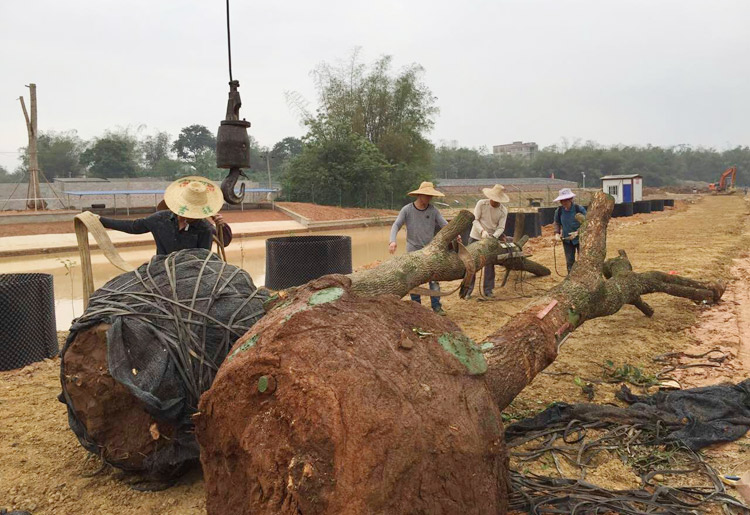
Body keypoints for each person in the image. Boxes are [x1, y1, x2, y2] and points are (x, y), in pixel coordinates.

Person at [98, 176, 232, 256]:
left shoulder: (205, 228)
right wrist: (100, 220)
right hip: (161, 269)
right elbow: (133, 227)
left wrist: (222, 227)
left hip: (194, 274)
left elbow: (222, 243)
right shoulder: (159, 219)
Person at [389, 181, 448, 315]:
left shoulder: (433, 210)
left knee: (434, 278)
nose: (429, 198)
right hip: (413, 249)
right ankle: (416, 307)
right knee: (413, 279)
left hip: (430, 249)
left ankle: (436, 306)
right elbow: (396, 225)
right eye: (426, 195)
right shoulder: (407, 210)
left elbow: (445, 225)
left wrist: (456, 235)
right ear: (419, 195)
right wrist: (392, 241)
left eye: (430, 196)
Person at [465, 184, 510, 299]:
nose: (494, 201)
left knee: (489, 265)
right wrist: (482, 231)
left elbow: (501, 227)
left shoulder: (503, 211)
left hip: (490, 239)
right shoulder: (481, 204)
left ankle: (488, 290)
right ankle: (467, 290)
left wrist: (494, 237)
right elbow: (474, 220)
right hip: (476, 236)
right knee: (471, 263)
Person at [553, 188, 586, 273]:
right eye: (562, 201)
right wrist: (556, 233)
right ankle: (570, 277)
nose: (563, 203)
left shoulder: (579, 209)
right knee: (569, 261)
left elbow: (588, 223)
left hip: (580, 240)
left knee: (582, 260)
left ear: (570, 199)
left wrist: (578, 232)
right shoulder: (559, 211)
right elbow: (557, 222)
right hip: (567, 240)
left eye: (565, 201)